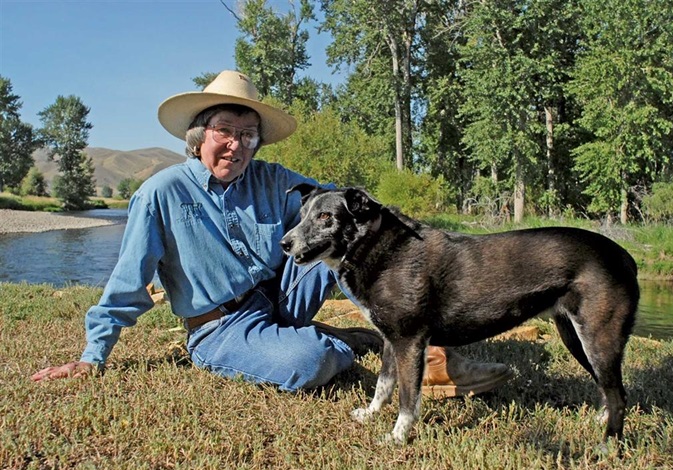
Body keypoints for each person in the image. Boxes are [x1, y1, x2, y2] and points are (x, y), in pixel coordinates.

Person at [31, 70, 512, 396]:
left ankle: (412, 343)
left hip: (282, 296)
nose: (237, 145)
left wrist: (412, 234)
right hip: (220, 326)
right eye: (226, 130)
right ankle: (367, 347)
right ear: (199, 136)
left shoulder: (274, 178)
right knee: (310, 362)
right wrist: (94, 356)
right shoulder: (162, 193)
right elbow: (128, 280)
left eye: (249, 134)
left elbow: (344, 203)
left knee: (347, 238)